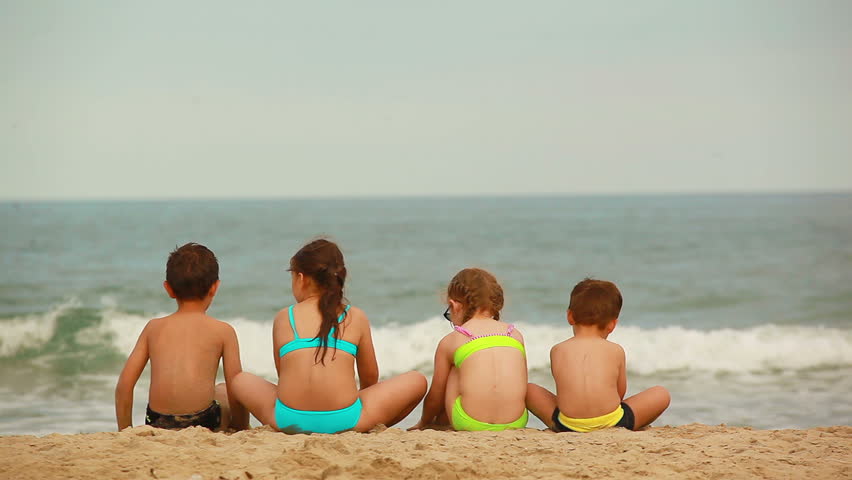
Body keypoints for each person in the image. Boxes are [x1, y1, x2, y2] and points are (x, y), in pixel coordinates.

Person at [230, 238, 427, 434]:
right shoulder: (355, 316)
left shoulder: (284, 317)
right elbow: (369, 376)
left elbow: (284, 373)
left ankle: (239, 426)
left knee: (240, 380)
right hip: (346, 421)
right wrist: (359, 402)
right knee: (417, 380)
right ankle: (368, 428)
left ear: (301, 278)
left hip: (288, 420)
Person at [115, 242, 249, 431]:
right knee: (223, 390)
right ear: (214, 288)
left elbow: (124, 385)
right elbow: (236, 388)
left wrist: (125, 430)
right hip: (203, 421)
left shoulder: (153, 328)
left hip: (157, 421)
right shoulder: (223, 331)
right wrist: (239, 426)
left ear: (168, 289)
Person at [526, 278, 670, 432]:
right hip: (613, 422)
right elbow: (620, 393)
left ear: (570, 316)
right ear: (612, 324)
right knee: (661, 394)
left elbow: (564, 390)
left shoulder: (557, 350)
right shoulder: (616, 350)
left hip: (567, 426)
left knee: (528, 390)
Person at [410, 268, 528, 431]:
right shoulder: (514, 334)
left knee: (455, 369)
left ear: (454, 305)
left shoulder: (452, 340)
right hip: (516, 422)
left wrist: (423, 422)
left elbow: (436, 396)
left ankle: (440, 422)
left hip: (469, 422)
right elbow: (522, 383)